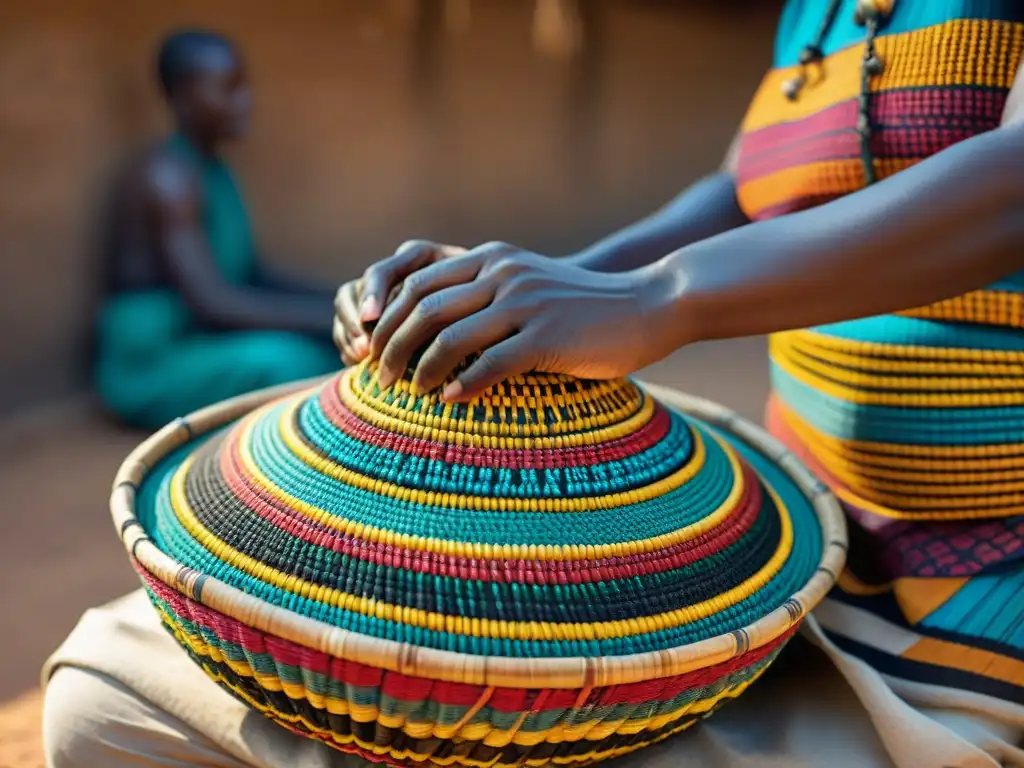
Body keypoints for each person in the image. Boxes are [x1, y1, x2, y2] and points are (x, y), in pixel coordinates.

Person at [44, 2, 1024, 766]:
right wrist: (520, 292)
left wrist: (657, 298)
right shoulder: (817, 6)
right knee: (108, 703)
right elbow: (741, 191)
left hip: (956, 597)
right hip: (763, 553)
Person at [95, 29, 338, 431]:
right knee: (290, 362)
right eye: (227, 88)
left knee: (320, 354)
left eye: (243, 85)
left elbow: (253, 275)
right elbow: (213, 303)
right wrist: (327, 321)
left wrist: (342, 298)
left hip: (200, 339)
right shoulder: (167, 179)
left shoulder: (213, 172)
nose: (245, 100)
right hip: (154, 361)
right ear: (181, 95)